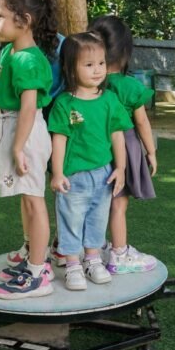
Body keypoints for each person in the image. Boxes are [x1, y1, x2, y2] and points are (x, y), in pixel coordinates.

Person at [0, 0, 59, 300]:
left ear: (24, 20)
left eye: (0, 15)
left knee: (34, 200)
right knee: (25, 198)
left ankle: (39, 272)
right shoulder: (10, 52)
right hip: (16, 128)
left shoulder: (28, 59)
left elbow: (29, 107)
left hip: (26, 133)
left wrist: (17, 147)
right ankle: (32, 256)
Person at [47, 32, 131, 290]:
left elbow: (117, 136)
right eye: (89, 64)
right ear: (70, 68)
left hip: (104, 174)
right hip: (73, 177)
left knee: (97, 218)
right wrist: (57, 173)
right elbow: (59, 140)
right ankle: (73, 263)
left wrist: (121, 168)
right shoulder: (64, 103)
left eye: (101, 63)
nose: (98, 70)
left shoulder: (109, 100)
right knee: (71, 219)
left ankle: (92, 260)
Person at [89, 15, 160, 273]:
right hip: (125, 147)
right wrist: (151, 151)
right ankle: (119, 254)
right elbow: (141, 122)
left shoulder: (88, 85)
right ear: (124, 51)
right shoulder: (129, 86)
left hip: (96, 147)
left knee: (95, 202)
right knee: (119, 204)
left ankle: (93, 250)